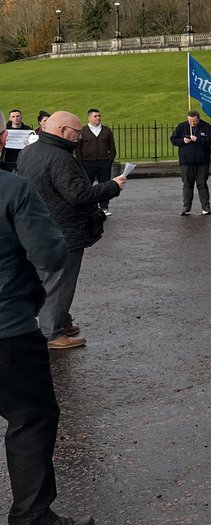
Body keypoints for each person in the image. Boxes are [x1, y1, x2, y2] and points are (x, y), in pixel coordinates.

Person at [0, 168, 96, 525]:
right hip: (7, 327)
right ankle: (32, 518)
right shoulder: (13, 189)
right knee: (31, 418)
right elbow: (51, 254)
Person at [16, 111, 126, 350]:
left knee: (49, 277)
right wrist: (113, 186)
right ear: (62, 131)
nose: (79, 137)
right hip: (64, 228)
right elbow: (79, 195)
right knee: (61, 280)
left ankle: (61, 321)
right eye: (76, 133)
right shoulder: (61, 158)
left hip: (38, 225)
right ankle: (52, 332)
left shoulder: (29, 151)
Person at [170, 110, 211, 216]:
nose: (192, 123)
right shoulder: (182, 126)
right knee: (187, 185)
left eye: (194, 121)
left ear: (198, 119)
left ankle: (206, 208)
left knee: (202, 184)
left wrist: (198, 139)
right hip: (186, 162)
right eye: (190, 121)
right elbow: (173, 139)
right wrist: (182, 141)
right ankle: (186, 208)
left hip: (202, 162)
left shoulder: (206, 126)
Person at [75, 109, 117, 215]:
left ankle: (104, 207)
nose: (98, 118)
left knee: (104, 185)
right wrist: (81, 161)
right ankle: (90, 207)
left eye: (99, 116)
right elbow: (78, 148)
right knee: (88, 185)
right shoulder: (83, 130)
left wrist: (109, 160)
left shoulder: (106, 130)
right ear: (89, 118)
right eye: (95, 116)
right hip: (88, 163)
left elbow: (112, 147)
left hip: (104, 163)